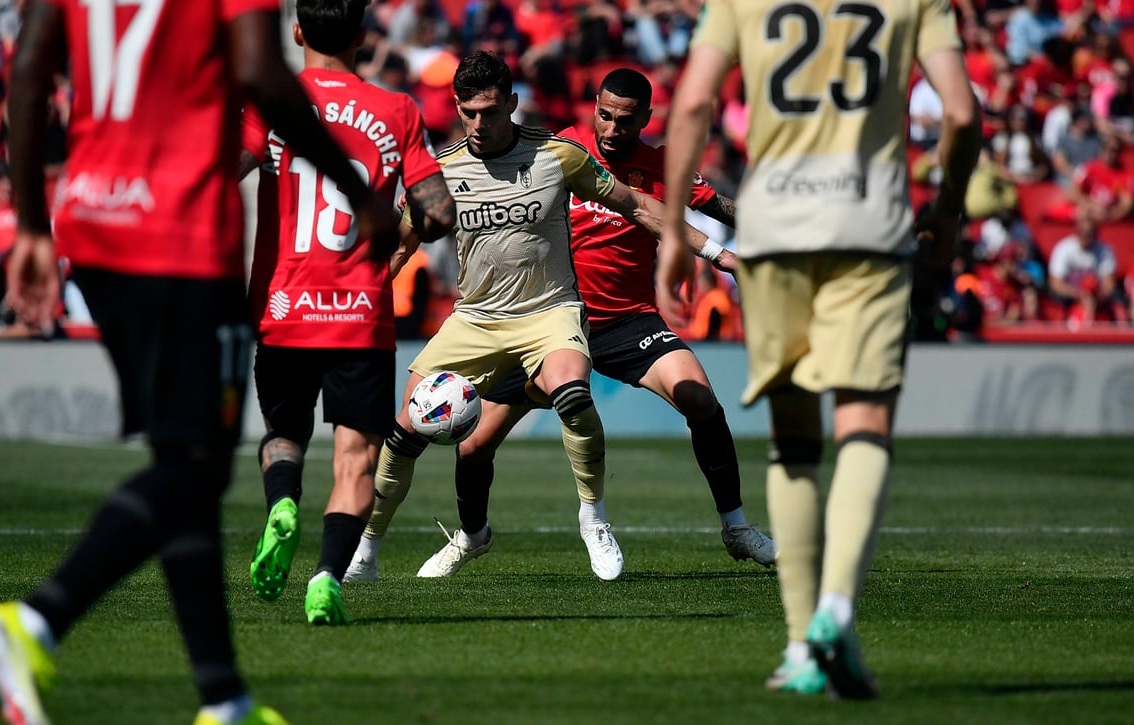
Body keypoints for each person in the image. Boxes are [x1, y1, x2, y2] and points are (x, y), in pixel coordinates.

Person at [0, 0, 400, 723]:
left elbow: (32, 64)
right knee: (193, 466)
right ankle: (34, 619)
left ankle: (223, 698)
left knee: (185, 458)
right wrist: (360, 194)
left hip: (94, 221)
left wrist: (33, 222)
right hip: (179, 236)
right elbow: (262, 71)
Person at [663, 0, 980, 700]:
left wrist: (671, 241)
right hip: (870, 228)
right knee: (865, 426)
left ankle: (804, 644)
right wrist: (948, 212)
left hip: (774, 236)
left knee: (794, 445)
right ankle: (838, 608)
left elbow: (690, 104)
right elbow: (960, 113)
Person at [343, 51, 711, 583]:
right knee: (405, 433)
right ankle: (368, 547)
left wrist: (718, 254)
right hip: (475, 319)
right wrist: (361, 299)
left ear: (512, 105)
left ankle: (593, 516)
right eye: (467, 111)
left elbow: (636, 206)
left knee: (574, 397)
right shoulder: (441, 171)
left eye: (489, 111)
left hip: (550, 311)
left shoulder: (558, 155)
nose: (477, 123)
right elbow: (400, 249)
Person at [406, 67, 775, 581]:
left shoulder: (667, 166)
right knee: (472, 444)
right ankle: (471, 537)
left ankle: (735, 527)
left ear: (647, 118)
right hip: (544, 320)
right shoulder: (559, 151)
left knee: (699, 397)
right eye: (604, 115)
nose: (612, 129)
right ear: (593, 108)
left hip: (624, 319)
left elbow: (720, 207)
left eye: (625, 120)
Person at [238, 0, 455, 627]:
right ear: (362, 36)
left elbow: (230, 167)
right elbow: (437, 213)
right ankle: (328, 575)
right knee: (355, 456)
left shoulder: (271, 102)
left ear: (298, 31)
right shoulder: (398, 110)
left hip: (282, 307)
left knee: (283, 436)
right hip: (361, 314)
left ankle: (282, 504)